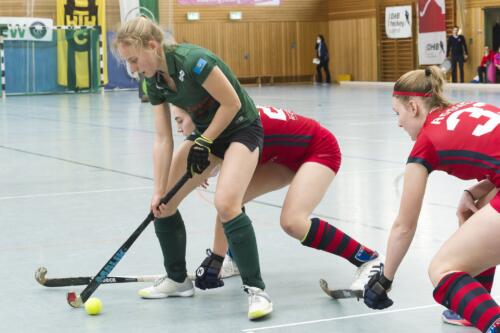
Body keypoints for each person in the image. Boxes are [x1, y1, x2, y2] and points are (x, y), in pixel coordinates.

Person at [112, 16, 272, 320]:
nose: (132, 69)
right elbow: (162, 138)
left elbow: (232, 104)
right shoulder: (153, 81)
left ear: (153, 46)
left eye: (134, 60)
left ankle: (256, 290)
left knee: (226, 203)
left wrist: (205, 141)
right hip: (207, 137)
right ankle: (176, 279)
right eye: (127, 63)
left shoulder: (194, 61)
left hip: (242, 130)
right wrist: (158, 190)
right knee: (165, 204)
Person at [171, 105, 383, 295]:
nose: (179, 129)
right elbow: (226, 202)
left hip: (319, 149)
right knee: (229, 200)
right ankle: (235, 260)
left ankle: (367, 259)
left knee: (292, 221)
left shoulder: (229, 132)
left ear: (195, 113)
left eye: (180, 121)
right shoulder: (219, 121)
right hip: (286, 156)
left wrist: (215, 260)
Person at [363, 66, 500, 333]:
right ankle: (473, 306)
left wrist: (385, 280)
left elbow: (405, 226)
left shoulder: (426, 142)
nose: (399, 123)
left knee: (442, 268)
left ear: (413, 107)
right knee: (481, 209)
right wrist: (473, 192)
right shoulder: (467, 108)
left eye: (398, 113)